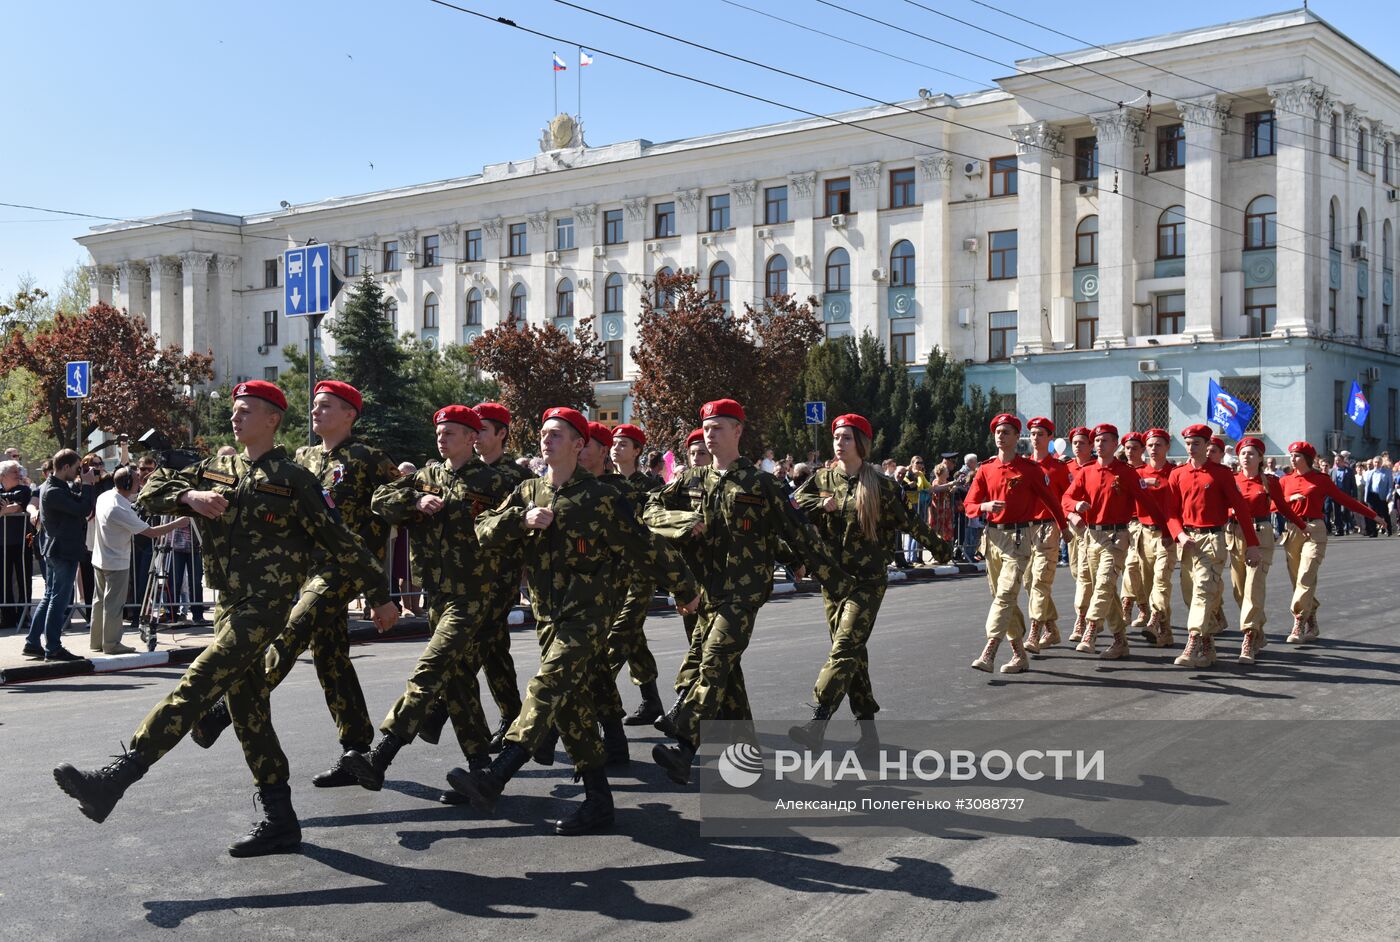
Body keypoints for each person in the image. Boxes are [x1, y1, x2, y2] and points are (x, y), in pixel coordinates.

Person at [53, 381, 398, 857]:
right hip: (228, 604)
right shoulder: (216, 468)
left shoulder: (296, 479)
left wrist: (381, 596)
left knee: (200, 680)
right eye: (234, 411)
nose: (235, 418)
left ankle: (118, 776)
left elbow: (344, 542)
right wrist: (190, 497)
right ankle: (280, 819)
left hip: (267, 604)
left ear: (273, 419)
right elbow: (152, 492)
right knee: (250, 712)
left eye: (246, 411)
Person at [445, 407, 700, 834]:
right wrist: (518, 519)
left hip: (588, 616)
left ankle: (496, 776)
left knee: (545, 687)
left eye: (558, 435)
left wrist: (686, 588)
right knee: (573, 709)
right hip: (547, 616)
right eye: (544, 433)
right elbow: (483, 528)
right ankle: (599, 802)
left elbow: (644, 546)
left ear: (579, 445)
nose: (547, 440)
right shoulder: (528, 491)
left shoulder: (599, 498)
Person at [187, 381, 399, 791]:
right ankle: (356, 750)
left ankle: (226, 708)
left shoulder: (370, 458)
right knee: (330, 658)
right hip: (306, 568)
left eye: (327, 406)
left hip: (344, 567)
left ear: (350, 415)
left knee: (292, 630)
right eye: (315, 405)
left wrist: (379, 593)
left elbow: (393, 505)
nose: (316, 412)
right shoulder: (304, 457)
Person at [644, 399, 849, 786]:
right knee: (727, 675)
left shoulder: (763, 484)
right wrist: (681, 521)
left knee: (716, 660)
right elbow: (649, 510)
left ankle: (684, 745)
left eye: (718, 427)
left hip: (745, 592)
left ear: (738, 431)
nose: (710, 434)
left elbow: (800, 533)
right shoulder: (691, 480)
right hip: (708, 591)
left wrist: (837, 581)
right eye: (706, 428)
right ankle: (747, 753)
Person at [340, 405, 515, 796]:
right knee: (458, 684)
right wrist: (413, 503)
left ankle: (380, 756)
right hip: (436, 594)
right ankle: (481, 770)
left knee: (429, 671)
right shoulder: (425, 477)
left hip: (475, 595)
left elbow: (515, 532)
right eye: (439, 431)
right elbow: (380, 500)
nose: (442, 438)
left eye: (451, 432)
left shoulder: (494, 482)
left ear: (473, 438)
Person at [788, 414, 950, 751]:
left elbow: (911, 523)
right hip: (833, 580)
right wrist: (821, 504)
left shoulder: (881, 485)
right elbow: (793, 506)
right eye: (836, 437)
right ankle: (869, 732)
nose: (839, 442)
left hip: (868, 580)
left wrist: (940, 548)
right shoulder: (822, 479)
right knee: (852, 657)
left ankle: (818, 720)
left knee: (844, 647)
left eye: (847, 437)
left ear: (861, 443)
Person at [962, 414, 1068, 673]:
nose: (1001, 435)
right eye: (998, 431)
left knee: (1007, 593)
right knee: (1002, 597)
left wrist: (1064, 528)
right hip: (993, 539)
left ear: (1015, 437)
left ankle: (990, 649)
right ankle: (1020, 654)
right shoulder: (986, 469)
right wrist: (985, 506)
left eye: (1007, 432)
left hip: (1019, 539)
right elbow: (969, 506)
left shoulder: (1030, 470)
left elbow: (1052, 501)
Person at [1060, 424, 1167, 659]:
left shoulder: (1126, 472)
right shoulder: (1086, 471)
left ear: (1115, 443)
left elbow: (1148, 503)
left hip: (1117, 537)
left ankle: (1091, 629)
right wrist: (1075, 507)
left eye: (1105, 440)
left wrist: (1167, 532)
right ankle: (1120, 640)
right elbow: (1066, 497)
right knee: (1107, 591)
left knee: (1105, 582)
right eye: (1096, 441)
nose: (1099, 444)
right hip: (1091, 537)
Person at [1162, 425, 1262, 669]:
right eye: (1188, 443)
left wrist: (1252, 544)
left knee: (1203, 591)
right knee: (1190, 595)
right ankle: (1208, 648)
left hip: (1213, 540)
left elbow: (1241, 509)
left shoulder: (1221, 474)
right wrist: (1179, 535)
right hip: (1188, 542)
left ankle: (1193, 642)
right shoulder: (1177, 474)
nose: (1191, 447)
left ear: (1207, 446)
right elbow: (1171, 513)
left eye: (1196, 443)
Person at [1277, 441, 1377, 643]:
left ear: (1307, 458)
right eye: (1291, 455)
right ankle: (1311, 616)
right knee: (1298, 580)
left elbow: (1344, 499)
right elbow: (1273, 505)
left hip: (1314, 530)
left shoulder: (1320, 479)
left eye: (1296, 455)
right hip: (1292, 531)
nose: (1292, 459)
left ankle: (1298, 621)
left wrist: (1373, 515)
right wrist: (1289, 500)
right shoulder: (1285, 481)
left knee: (1306, 575)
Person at [89, 467, 188, 654]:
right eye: (136, 480)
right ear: (127, 483)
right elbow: (151, 532)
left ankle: (97, 642)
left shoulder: (106, 497)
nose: (139, 483)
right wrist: (177, 523)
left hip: (101, 558)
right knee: (113, 605)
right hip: (116, 562)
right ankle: (111, 644)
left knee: (100, 602)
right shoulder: (118, 508)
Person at [1228, 437, 1307, 664]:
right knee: (1239, 590)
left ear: (1260, 458)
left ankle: (1250, 637)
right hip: (1235, 534)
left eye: (1251, 453)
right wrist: (1229, 512)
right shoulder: (1231, 480)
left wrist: (1302, 526)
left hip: (1260, 534)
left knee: (1254, 588)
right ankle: (1258, 630)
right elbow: (1219, 507)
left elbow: (1281, 507)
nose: (1246, 457)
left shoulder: (1269, 481)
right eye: (1243, 453)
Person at [22, 449, 97, 661]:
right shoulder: (53, 491)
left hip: (57, 549)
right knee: (59, 599)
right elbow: (82, 509)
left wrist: (85, 483)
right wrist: (90, 485)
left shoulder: (52, 486)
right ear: (65, 467)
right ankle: (53, 647)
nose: (77, 473)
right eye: (75, 468)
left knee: (49, 597)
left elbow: (77, 501)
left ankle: (32, 643)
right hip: (62, 551)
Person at [1021, 417, 1073, 653]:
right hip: (1025, 529)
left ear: (1050, 438)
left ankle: (1035, 630)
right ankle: (1051, 629)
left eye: (1040, 433)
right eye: (1032, 433)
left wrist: (1065, 525)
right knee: (1029, 581)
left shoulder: (1059, 468)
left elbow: (1067, 498)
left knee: (1040, 580)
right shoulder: (1022, 466)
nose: (1035, 437)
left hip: (1048, 527)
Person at [1135, 428, 1178, 647]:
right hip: (1145, 534)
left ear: (1167, 447)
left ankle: (1154, 619)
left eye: (1158, 444)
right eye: (1150, 445)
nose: (1153, 449)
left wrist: (1173, 532)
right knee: (1149, 583)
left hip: (1166, 535)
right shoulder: (1139, 473)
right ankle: (1166, 632)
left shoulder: (1175, 473)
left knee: (1162, 580)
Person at [1064, 427, 1096, 641]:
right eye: (1075, 442)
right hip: (1075, 527)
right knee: (1078, 572)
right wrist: (1069, 514)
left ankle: (1083, 618)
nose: (1077, 446)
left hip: (1096, 530)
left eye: (1082, 442)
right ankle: (1095, 614)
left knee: (1088, 574)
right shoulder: (1065, 468)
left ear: (1091, 446)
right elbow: (1060, 498)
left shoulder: (1098, 466)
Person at [1117, 432, 1148, 630]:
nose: (1130, 452)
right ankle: (1142, 605)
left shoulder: (1147, 470)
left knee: (1133, 566)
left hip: (1141, 523)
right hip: (1121, 523)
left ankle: (1130, 605)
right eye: (1127, 448)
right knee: (1127, 567)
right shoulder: (1119, 471)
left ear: (1142, 450)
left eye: (1135, 448)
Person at [1, 459, 34, 632]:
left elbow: (19, 507)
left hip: (21, 543)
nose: (18, 474)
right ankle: (6, 617)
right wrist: (8, 508)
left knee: (23, 579)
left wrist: (8, 509)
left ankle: (24, 614)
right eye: (14, 471)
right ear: (3, 475)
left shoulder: (24, 489)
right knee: (3, 580)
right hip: (2, 543)